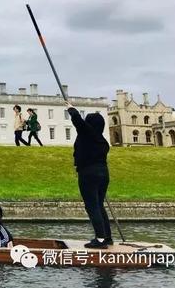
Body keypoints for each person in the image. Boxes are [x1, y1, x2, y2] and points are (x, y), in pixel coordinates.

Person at [66, 101, 113, 249]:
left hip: (88, 173)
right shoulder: (102, 141)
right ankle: (107, 237)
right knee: (99, 205)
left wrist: (71, 108)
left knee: (92, 206)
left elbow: (79, 122)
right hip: (103, 173)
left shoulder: (88, 135)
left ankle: (99, 239)